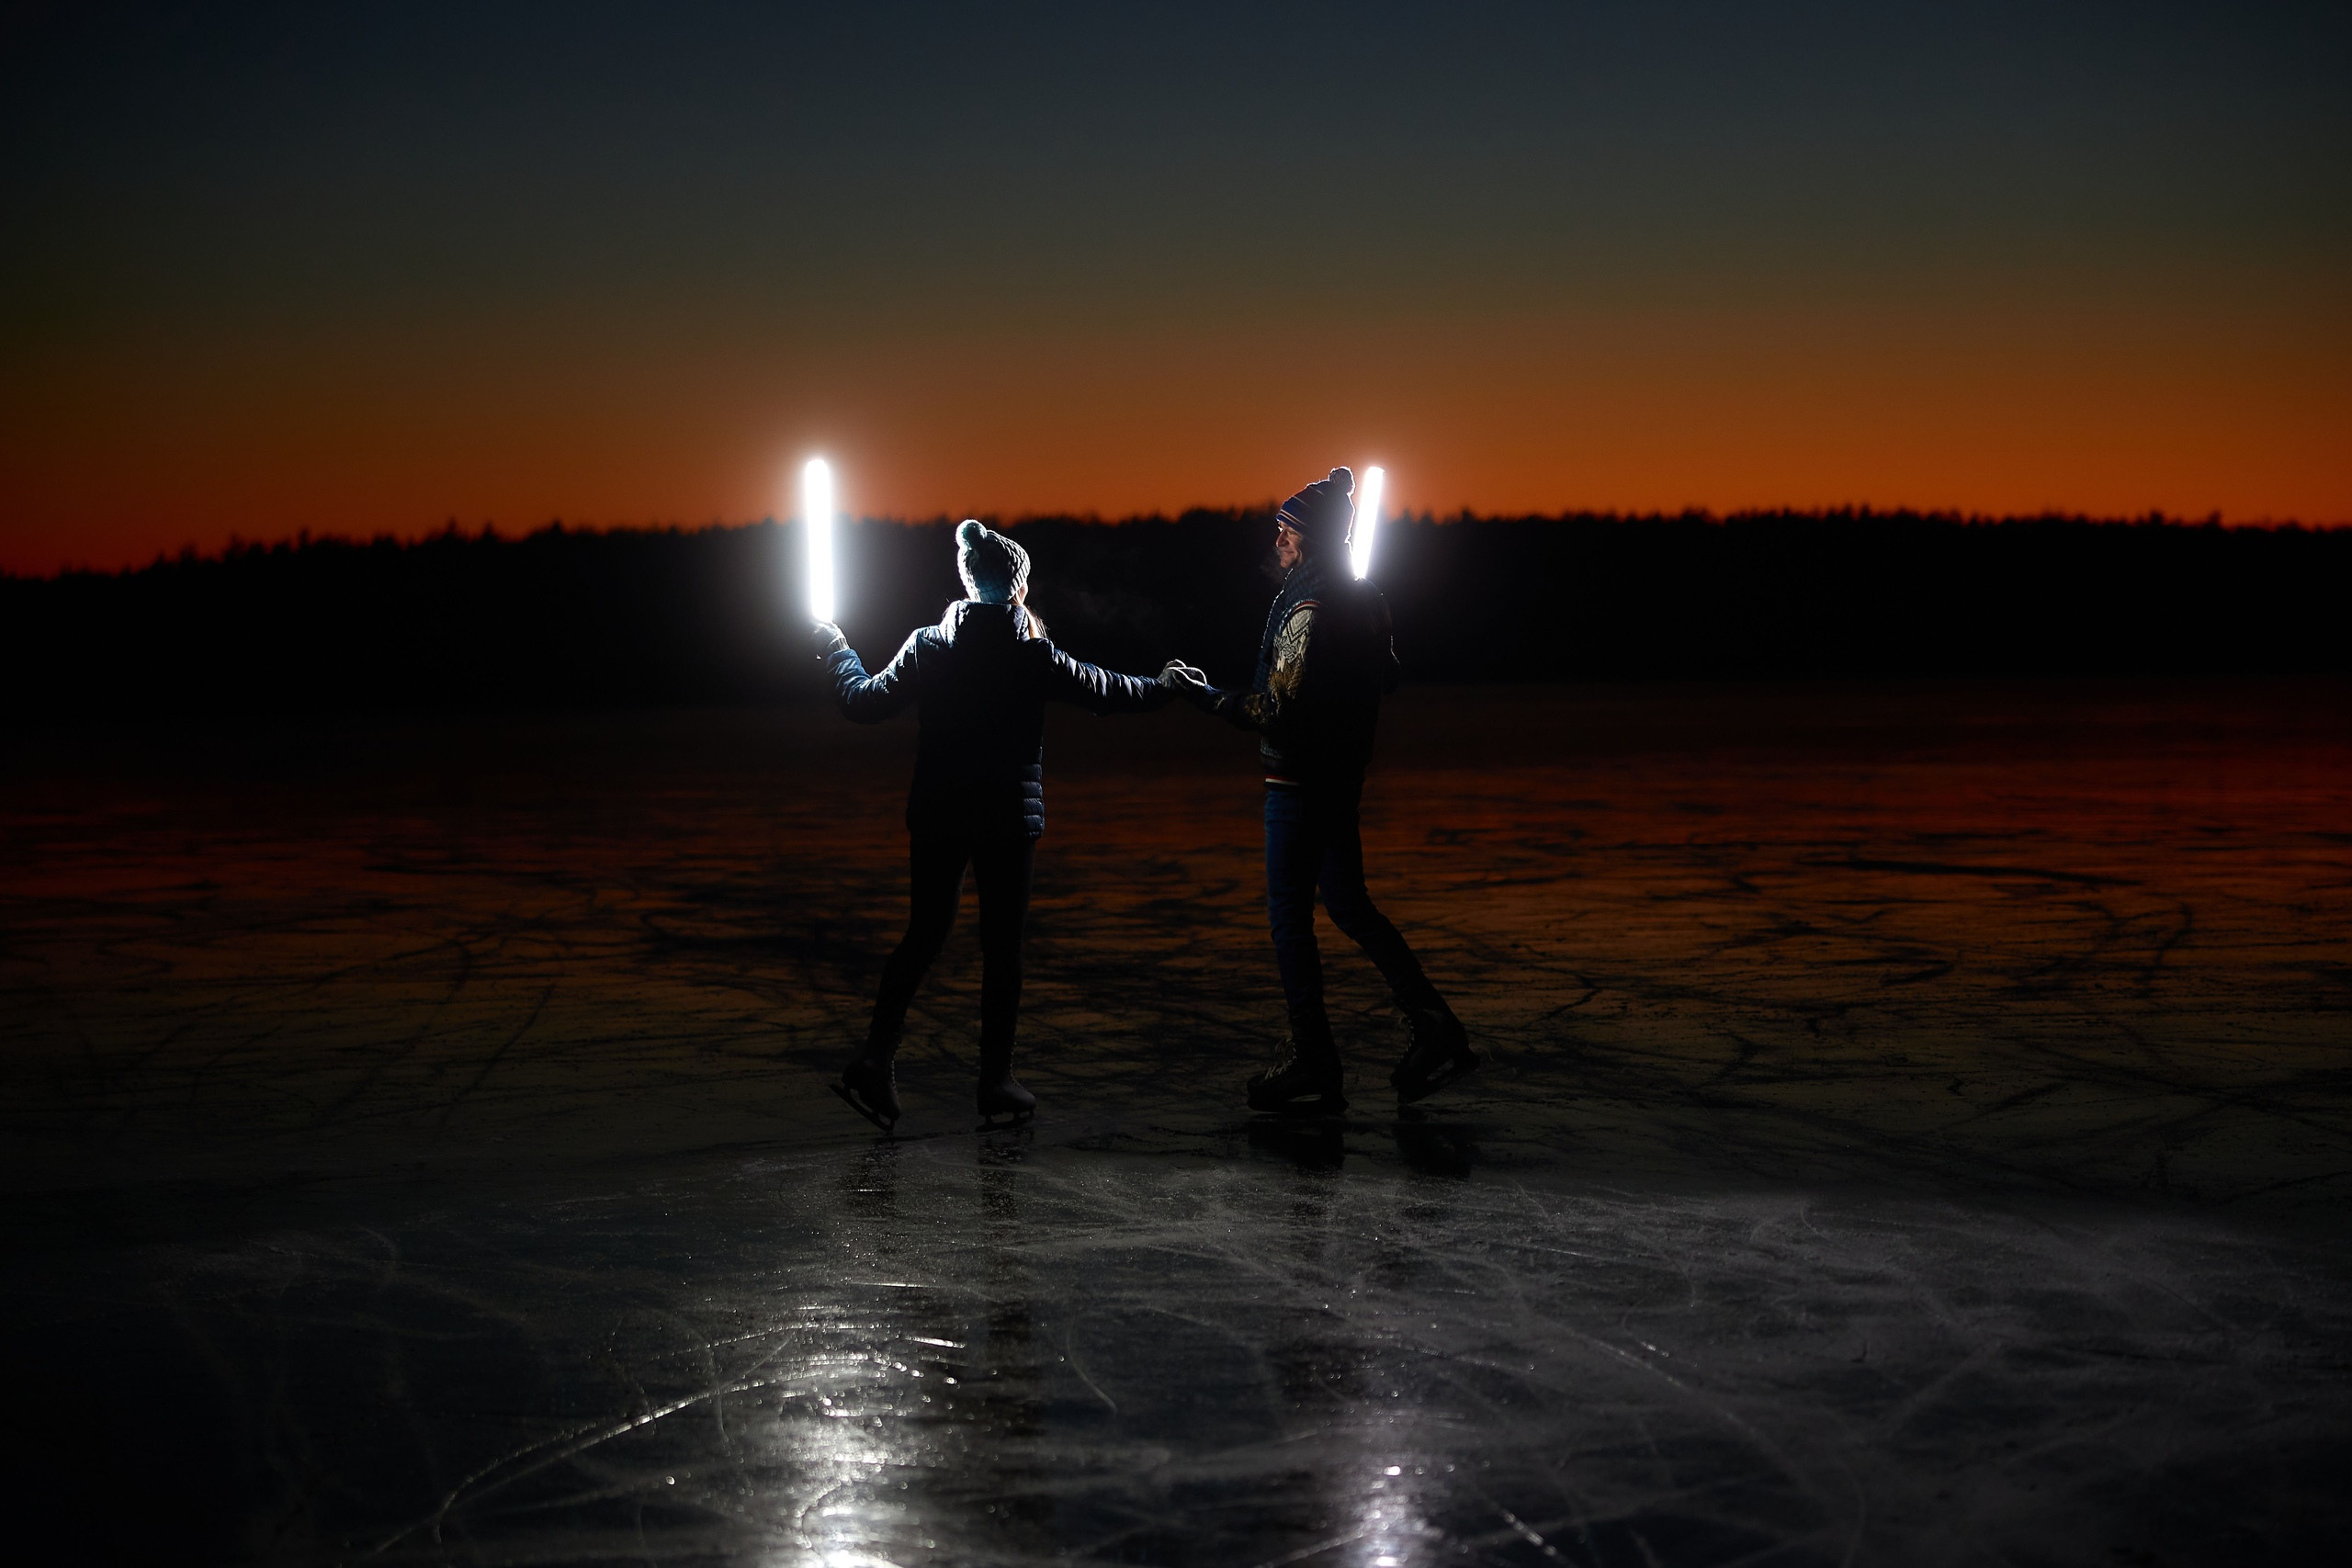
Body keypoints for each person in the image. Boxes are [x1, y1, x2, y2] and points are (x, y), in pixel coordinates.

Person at [813, 519, 1193, 1131]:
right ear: (1017, 588)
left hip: (938, 812)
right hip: (1006, 821)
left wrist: (835, 649)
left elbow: (864, 701)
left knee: (924, 935)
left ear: (969, 584)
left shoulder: (930, 646)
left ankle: (876, 1058)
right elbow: (1105, 689)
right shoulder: (1031, 654)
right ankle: (995, 1080)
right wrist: (1166, 687)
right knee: (1002, 950)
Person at [1163, 468, 1476, 1114]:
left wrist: (1204, 696)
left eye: (1287, 531)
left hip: (1301, 784)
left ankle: (1314, 1056)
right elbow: (1388, 676)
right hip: (1339, 778)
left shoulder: (1311, 608)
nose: (1278, 541)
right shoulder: (1367, 598)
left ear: (1311, 539)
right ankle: (1434, 1024)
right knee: (1351, 907)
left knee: (1290, 921)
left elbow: (1272, 710)